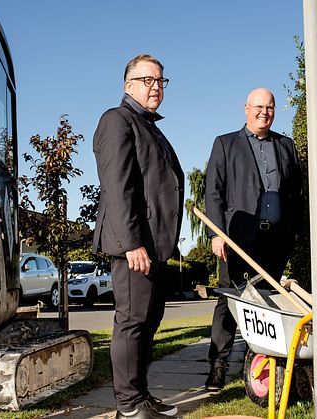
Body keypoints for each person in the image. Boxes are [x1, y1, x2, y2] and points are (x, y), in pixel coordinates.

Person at [92, 54, 184, 419]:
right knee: (131, 323)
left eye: (161, 80)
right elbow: (118, 188)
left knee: (148, 322)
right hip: (135, 245)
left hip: (155, 245)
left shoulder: (149, 125)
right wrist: (132, 243)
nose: (156, 86)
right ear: (127, 85)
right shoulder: (117, 120)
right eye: (148, 80)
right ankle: (128, 407)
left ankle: (140, 396)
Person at [204, 87, 305, 391]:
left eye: (270, 107)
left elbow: (297, 191)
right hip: (237, 240)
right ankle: (218, 366)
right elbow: (214, 191)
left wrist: (295, 227)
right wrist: (215, 234)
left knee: (269, 303)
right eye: (259, 106)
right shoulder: (225, 144)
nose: (265, 112)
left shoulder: (286, 145)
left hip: (277, 240)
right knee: (229, 301)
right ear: (246, 108)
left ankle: (258, 366)